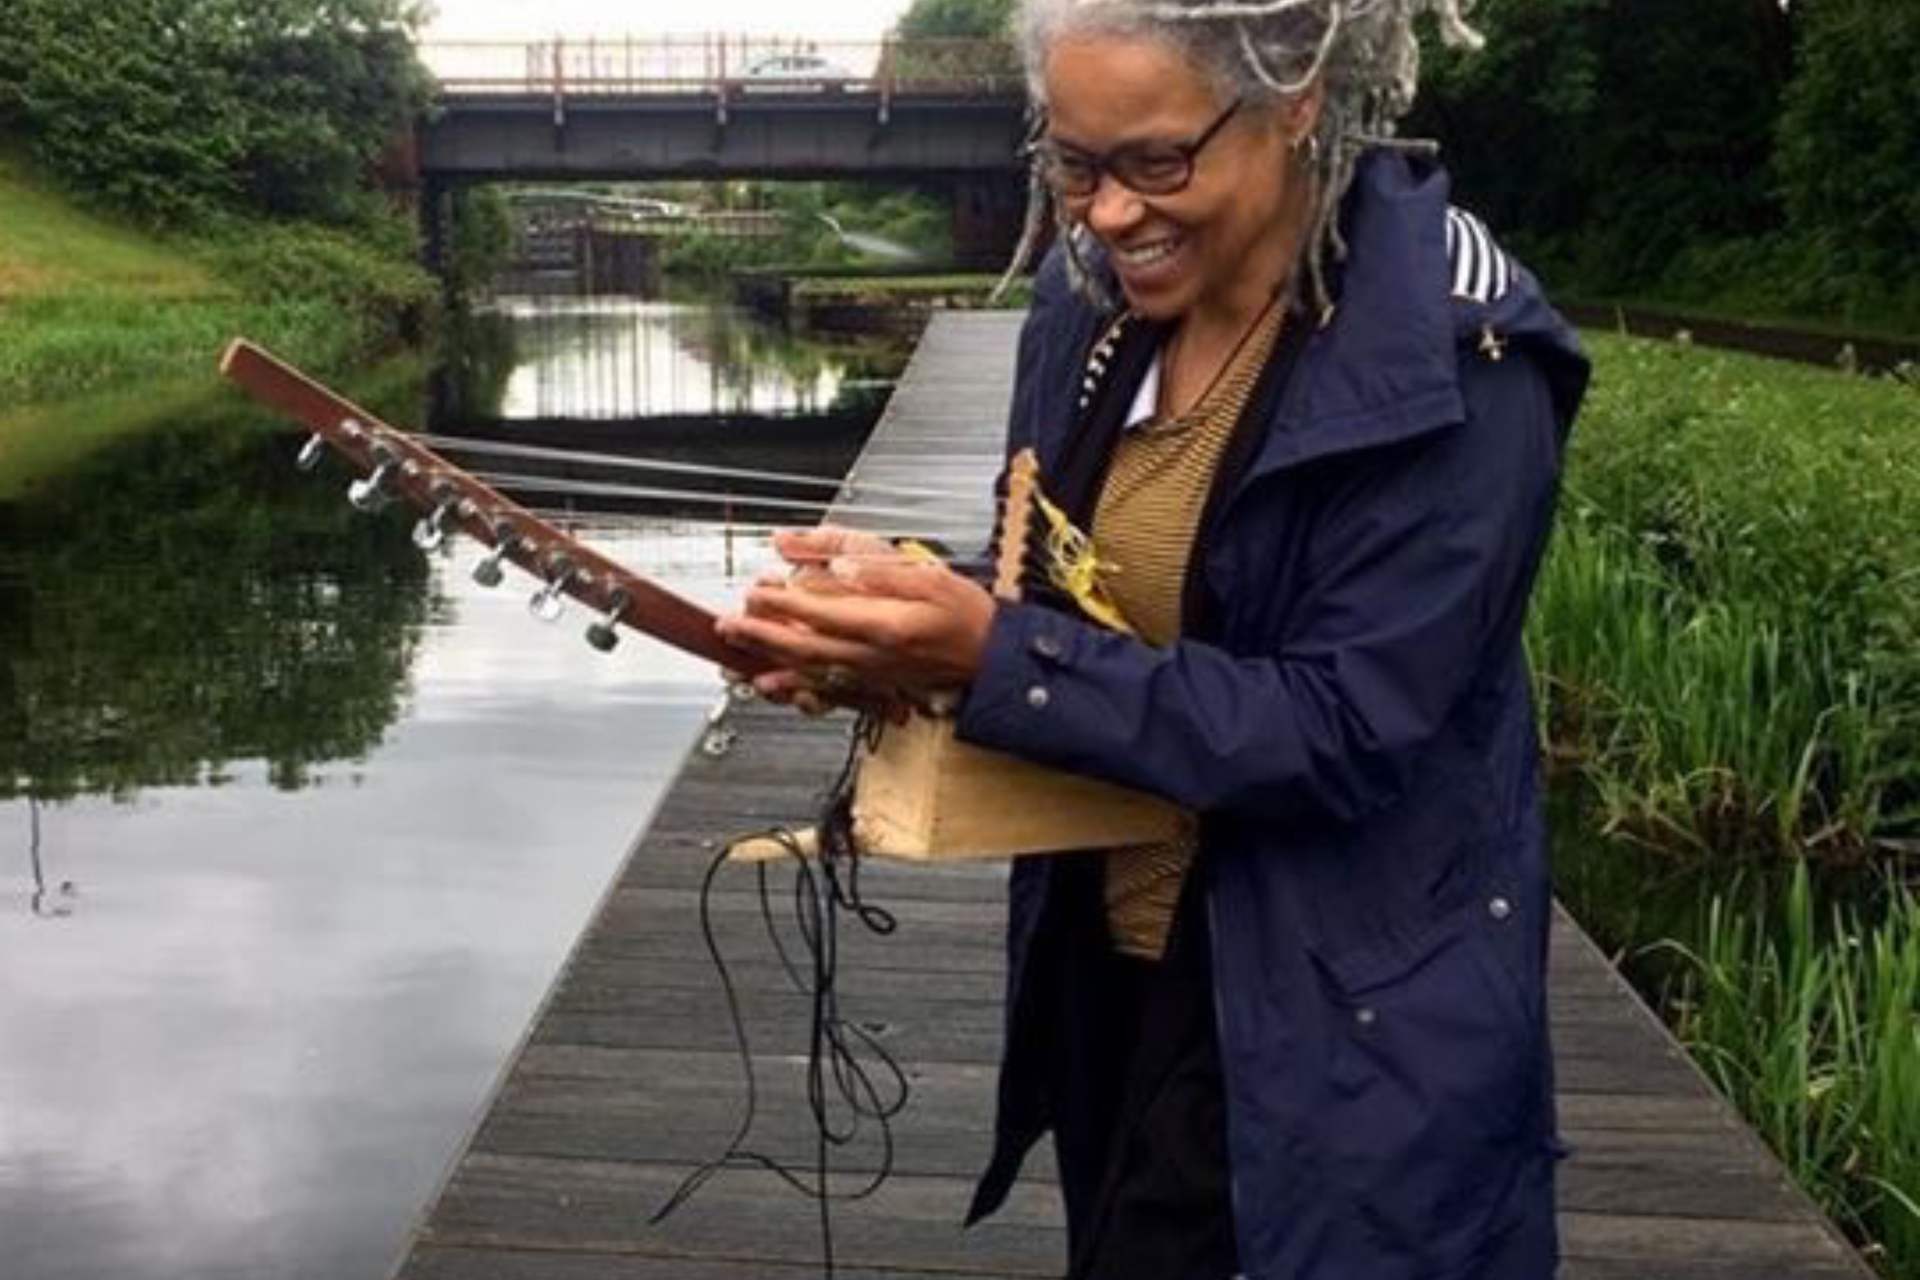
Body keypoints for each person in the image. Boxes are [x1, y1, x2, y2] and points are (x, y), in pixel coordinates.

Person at [715, 0, 1591, 1275]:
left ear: (1297, 101)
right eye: (1072, 163)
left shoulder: (1460, 352)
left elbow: (1344, 728)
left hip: (1345, 1009)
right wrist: (888, 631)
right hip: (1116, 958)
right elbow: (1080, 601)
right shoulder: (1096, 306)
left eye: (1156, 162)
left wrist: (989, 651)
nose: (1108, 212)